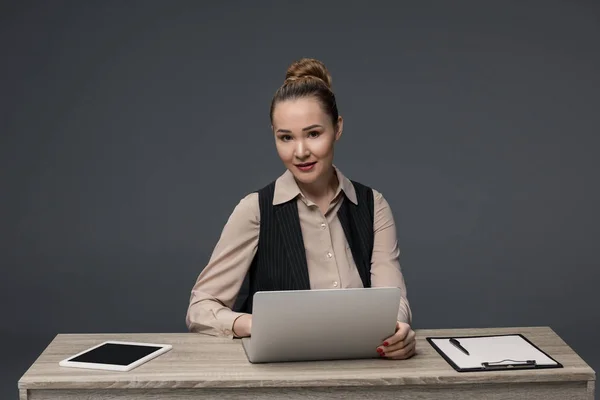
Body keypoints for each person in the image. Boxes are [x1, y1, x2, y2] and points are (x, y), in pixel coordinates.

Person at [186, 58, 416, 360]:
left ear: (338, 128)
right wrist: (256, 324)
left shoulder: (374, 206)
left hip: (366, 369)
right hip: (282, 379)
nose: (300, 152)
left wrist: (397, 330)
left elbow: (394, 300)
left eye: (313, 134)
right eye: (286, 137)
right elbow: (200, 308)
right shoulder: (256, 210)